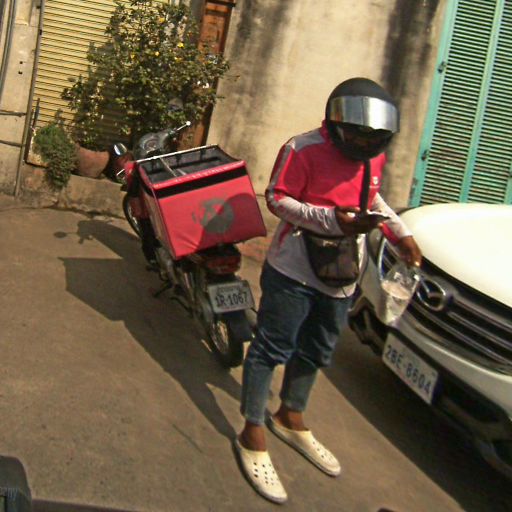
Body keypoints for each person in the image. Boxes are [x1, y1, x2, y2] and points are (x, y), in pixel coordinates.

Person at [233, 77, 422, 504]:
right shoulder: (302, 149)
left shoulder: (374, 158)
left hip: (342, 273)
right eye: (357, 134)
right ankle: (252, 431)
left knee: (318, 349)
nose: (364, 142)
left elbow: (373, 200)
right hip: (294, 269)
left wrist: (401, 233)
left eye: (373, 137)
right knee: (272, 348)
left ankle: (290, 415)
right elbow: (277, 199)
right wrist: (332, 220)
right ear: (336, 125)